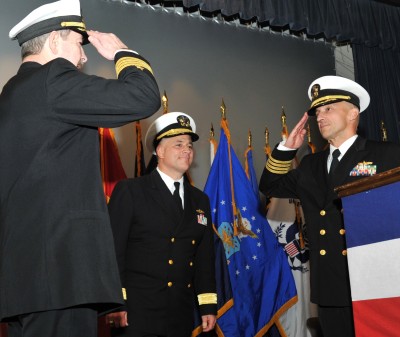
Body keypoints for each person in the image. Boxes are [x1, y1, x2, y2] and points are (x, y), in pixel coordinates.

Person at [0, 0, 161, 336]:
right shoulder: (53, 80)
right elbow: (144, 97)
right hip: (61, 275)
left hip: (24, 281)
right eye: (78, 42)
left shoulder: (12, 93)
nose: (84, 56)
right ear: (55, 40)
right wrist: (123, 53)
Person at [259, 75, 400, 337]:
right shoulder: (311, 164)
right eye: (317, 111)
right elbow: (270, 186)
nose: (320, 117)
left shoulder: (386, 155)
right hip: (329, 283)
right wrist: (287, 150)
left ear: (353, 113)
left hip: (375, 281)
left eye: (328, 109)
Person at [106, 112, 217, 337]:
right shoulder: (131, 191)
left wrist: (207, 306)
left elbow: (204, 258)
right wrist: (116, 303)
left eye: (189, 145)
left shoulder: (200, 200)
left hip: (180, 314)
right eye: (178, 144)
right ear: (159, 151)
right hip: (137, 314)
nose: (187, 150)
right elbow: (111, 251)